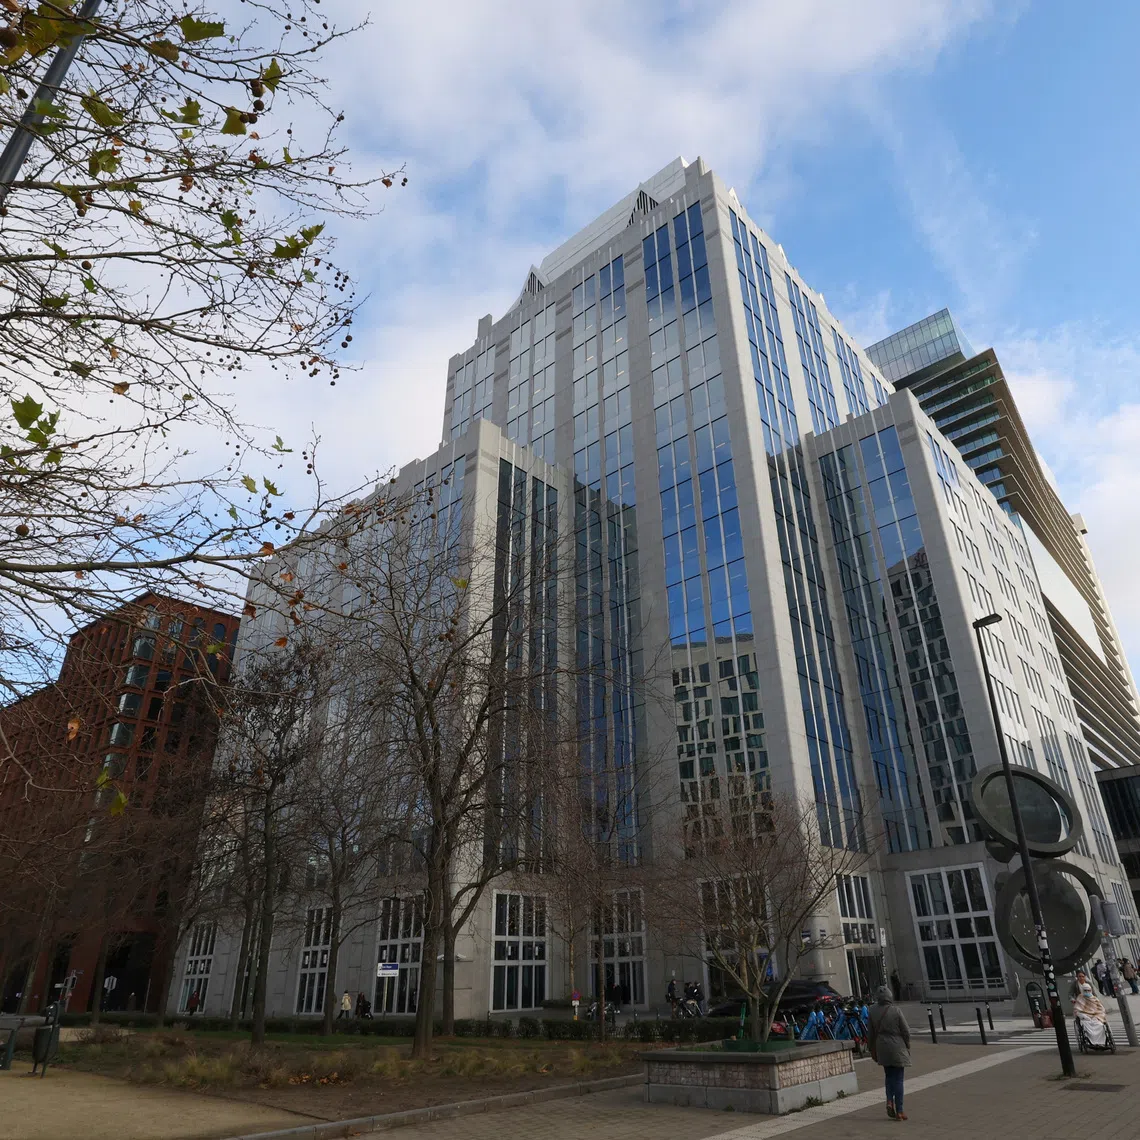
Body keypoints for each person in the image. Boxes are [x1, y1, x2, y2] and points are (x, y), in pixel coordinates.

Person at [868, 985, 911, 1121]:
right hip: (897, 1046)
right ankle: (900, 1110)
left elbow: (870, 1033)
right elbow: (906, 1031)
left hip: (881, 1047)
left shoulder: (872, 1011)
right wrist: (907, 1045)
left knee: (889, 1076)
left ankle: (889, 1101)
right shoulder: (896, 1011)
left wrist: (872, 1049)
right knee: (898, 1079)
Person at [1074, 981, 1109, 1047]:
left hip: (1096, 1016)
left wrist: (1099, 1016)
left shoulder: (1095, 999)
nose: (1087, 992)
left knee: (1100, 1025)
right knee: (1087, 1026)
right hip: (1085, 1018)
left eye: (1088, 990)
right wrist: (1083, 1016)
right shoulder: (1080, 998)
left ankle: (1101, 1042)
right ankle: (1092, 1042)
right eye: (1085, 990)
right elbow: (1077, 1010)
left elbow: (1101, 1009)